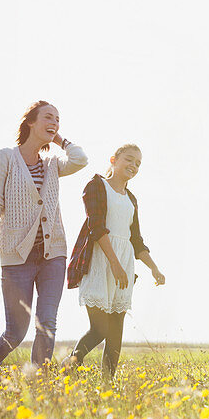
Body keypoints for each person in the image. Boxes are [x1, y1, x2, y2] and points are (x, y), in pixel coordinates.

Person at [0, 100, 88, 378]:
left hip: (53, 255)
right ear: (30, 122)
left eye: (58, 119)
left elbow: (80, 159)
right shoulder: (6, 157)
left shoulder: (53, 164)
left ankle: (38, 379)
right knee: (16, 331)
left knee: (47, 322)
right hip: (16, 256)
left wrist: (57, 137)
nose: (55, 122)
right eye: (48, 117)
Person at [62, 144, 165, 384]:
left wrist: (154, 268)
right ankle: (71, 363)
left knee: (116, 330)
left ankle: (108, 383)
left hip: (125, 265)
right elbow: (96, 228)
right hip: (100, 262)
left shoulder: (131, 199)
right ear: (114, 160)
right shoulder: (96, 186)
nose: (134, 166)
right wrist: (115, 265)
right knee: (100, 329)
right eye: (129, 159)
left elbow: (136, 240)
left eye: (138, 163)